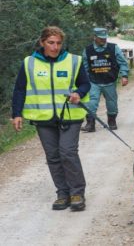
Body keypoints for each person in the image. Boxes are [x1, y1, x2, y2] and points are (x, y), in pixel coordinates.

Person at [12, 26, 91, 211]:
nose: (55, 47)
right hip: (43, 118)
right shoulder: (29, 63)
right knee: (53, 157)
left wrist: (79, 93)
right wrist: (16, 114)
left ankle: (77, 193)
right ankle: (63, 193)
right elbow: (20, 89)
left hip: (70, 116)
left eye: (58, 43)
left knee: (67, 152)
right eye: (50, 43)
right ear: (42, 42)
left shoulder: (74, 61)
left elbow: (85, 83)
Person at [81, 27, 129, 132]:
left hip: (110, 81)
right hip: (94, 81)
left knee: (112, 103)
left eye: (105, 38)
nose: (103, 40)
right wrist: (84, 80)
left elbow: (122, 62)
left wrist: (124, 75)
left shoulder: (114, 48)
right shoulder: (88, 50)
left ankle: (112, 121)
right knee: (91, 102)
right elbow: (84, 67)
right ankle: (90, 124)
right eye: (100, 38)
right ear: (94, 37)